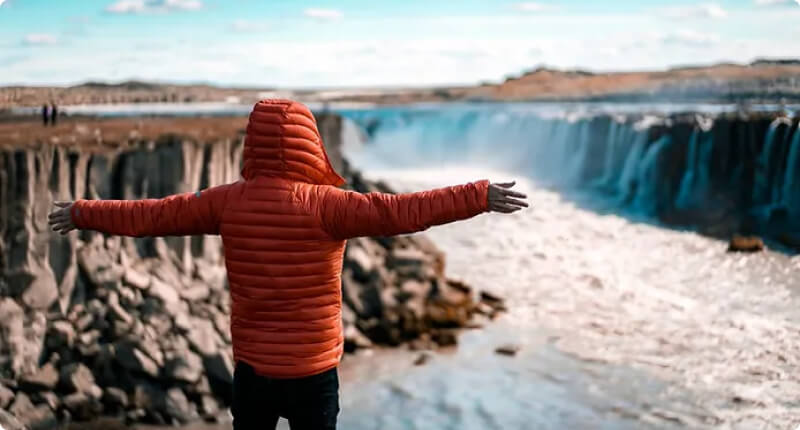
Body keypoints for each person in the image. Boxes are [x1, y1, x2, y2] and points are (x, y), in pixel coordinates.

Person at [48, 99, 528, 430]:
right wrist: (477, 195)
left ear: (251, 145)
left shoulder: (225, 202)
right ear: (310, 142)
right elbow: (402, 211)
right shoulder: (328, 204)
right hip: (314, 372)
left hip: (254, 372)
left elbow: (152, 215)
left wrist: (84, 211)